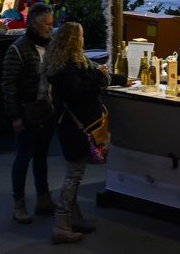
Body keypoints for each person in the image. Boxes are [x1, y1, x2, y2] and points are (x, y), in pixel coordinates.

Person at [45, 22, 109, 244]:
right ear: (75, 41)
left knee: (74, 173)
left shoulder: (59, 63)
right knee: (74, 175)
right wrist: (97, 76)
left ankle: (74, 219)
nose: (84, 38)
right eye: (81, 36)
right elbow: (77, 94)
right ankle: (61, 224)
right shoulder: (71, 66)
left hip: (68, 126)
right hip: (77, 128)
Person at [1, 1, 57, 224]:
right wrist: (15, 116)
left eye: (52, 24)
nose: (50, 28)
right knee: (23, 156)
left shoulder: (51, 45)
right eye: (47, 24)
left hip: (48, 111)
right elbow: (8, 85)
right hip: (27, 112)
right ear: (34, 24)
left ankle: (43, 198)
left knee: (41, 156)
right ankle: (19, 202)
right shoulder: (17, 49)